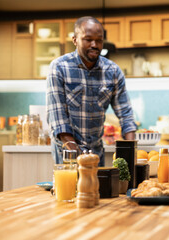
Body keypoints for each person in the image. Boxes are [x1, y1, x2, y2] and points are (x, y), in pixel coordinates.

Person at [46, 16, 137, 166]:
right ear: (75, 40)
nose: (94, 45)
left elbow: (126, 115)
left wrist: (132, 152)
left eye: (99, 40)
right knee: (70, 189)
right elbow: (58, 120)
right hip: (67, 156)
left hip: (96, 155)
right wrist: (78, 156)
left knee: (96, 190)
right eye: (88, 39)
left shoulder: (113, 71)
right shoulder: (59, 68)